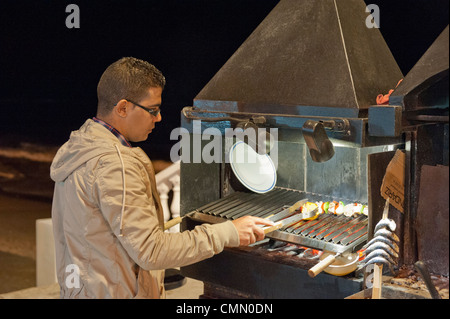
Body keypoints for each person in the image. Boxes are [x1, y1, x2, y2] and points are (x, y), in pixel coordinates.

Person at [50, 57, 273, 299]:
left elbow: (104, 234)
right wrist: (229, 232)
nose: (158, 119)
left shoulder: (81, 147)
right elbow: (151, 250)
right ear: (123, 108)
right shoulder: (115, 164)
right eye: (152, 110)